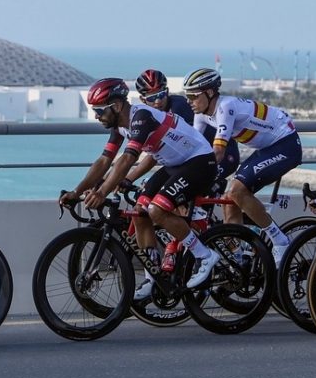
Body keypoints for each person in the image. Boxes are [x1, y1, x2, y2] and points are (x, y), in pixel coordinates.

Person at [68, 78, 219, 295]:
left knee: (157, 210)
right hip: (174, 165)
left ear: (116, 105)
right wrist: (77, 192)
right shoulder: (120, 127)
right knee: (139, 212)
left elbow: (128, 159)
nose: (96, 116)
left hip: (200, 162)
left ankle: (204, 255)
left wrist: (102, 192)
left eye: (99, 110)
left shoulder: (141, 117)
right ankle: (152, 278)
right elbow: (104, 161)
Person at [183, 67, 302, 265]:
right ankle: (238, 258)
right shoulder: (201, 113)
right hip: (267, 148)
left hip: (285, 144)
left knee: (237, 191)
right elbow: (194, 147)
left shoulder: (225, 107)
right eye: (186, 96)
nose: (189, 101)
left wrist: (194, 178)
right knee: (228, 199)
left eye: (193, 96)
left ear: (209, 92)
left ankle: (280, 240)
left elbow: (218, 153)